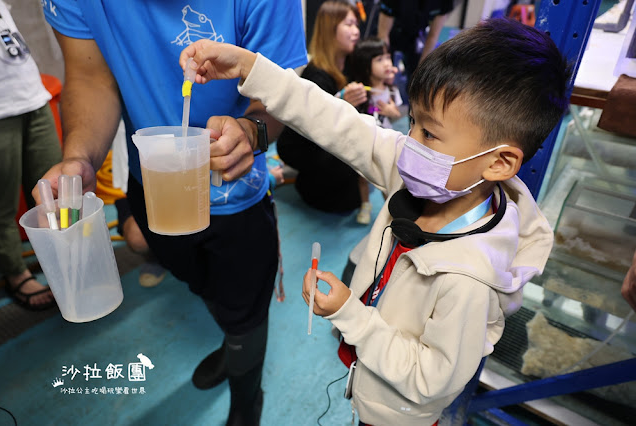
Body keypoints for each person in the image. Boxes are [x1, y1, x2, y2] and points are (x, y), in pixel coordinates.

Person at [180, 17, 571, 425]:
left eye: (430, 134)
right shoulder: (429, 173)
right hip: (368, 376)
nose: (408, 144)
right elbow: (334, 120)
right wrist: (250, 67)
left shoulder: (470, 282)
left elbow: (429, 380)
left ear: (499, 162)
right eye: (413, 123)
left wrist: (350, 314)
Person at [38, 1, 307, 424]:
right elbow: (91, 76)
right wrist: (80, 158)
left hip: (238, 196)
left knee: (247, 311)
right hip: (156, 187)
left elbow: (283, 85)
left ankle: (246, 397)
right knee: (205, 286)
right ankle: (232, 341)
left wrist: (253, 129)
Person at [276, 0, 369, 215]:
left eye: (356, 25)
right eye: (349, 24)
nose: (356, 31)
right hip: (306, 151)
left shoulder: (350, 65)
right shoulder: (316, 75)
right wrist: (342, 103)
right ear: (330, 28)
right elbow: (311, 131)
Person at [0, 0, 61, 311]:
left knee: (54, 192)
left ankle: (64, 264)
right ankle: (15, 272)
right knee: (1, 204)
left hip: (31, 96)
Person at [348, 36, 403, 224]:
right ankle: (365, 204)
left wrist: (390, 111)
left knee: (385, 174)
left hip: (385, 138)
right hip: (365, 139)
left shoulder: (391, 89)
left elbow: (396, 113)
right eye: (379, 60)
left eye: (387, 57)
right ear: (365, 65)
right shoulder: (361, 90)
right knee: (363, 176)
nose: (387, 63)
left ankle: (389, 205)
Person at [377, 0, 455, 86]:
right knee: (383, 75)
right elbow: (383, 34)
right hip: (392, 33)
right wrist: (386, 65)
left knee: (419, 78)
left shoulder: (444, 2)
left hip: (415, 36)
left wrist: (421, 69)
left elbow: (433, 36)